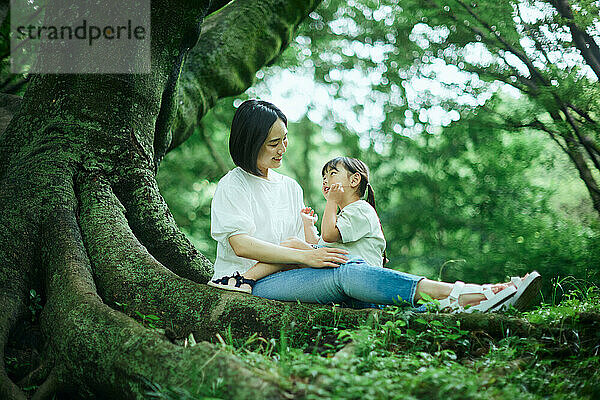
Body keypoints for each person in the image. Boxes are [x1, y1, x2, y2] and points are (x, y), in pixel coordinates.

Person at [208, 99, 541, 313]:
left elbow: (307, 243)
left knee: (354, 278)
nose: (283, 148)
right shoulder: (232, 185)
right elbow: (241, 243)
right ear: (251, 142)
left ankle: (470, 302)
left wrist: (310, 249)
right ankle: (472, 294)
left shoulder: (290, 187)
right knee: (346, 274)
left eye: (285, 139)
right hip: (249, 282)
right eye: (273, 143)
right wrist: (304, 255)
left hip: (293, 272)